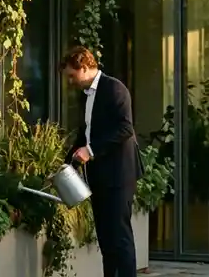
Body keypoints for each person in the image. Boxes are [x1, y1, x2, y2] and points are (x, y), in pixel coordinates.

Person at [61, 46, 142, 277]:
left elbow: (125, 128)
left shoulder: (115, 88)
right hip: (100, 176)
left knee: (120, 238)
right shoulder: (86, 95)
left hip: (119, 175)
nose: (70, 82)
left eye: (71, 76)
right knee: (106, 239)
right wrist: (67, 164)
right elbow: (86, 133)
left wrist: (90, 150)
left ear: (84, 68)